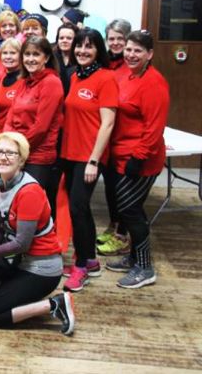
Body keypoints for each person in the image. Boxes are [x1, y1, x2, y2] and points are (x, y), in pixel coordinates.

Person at [0, 131, 76, 336]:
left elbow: (21, 243)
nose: (3, 157)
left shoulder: (29, 191)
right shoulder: (3, 183)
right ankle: (11, 289)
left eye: (10, 153)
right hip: (20, 261)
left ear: (21, 159)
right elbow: (0, 228)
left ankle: (55, 304)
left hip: (41, 269)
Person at [105, 30, 169, 289]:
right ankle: (133, 258)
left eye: (138, 51)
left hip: (142, 159)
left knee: (131, 211)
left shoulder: (154, 83)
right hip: (120, 155)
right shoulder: (125, 75)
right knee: (127, 209)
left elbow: (154, 128)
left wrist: (138, 157)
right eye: (129, 49)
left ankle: (145, 267)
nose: (131, 54)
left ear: (149, 54)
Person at [58, 28, 118, 292]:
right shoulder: (74, 76)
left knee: (77, 209)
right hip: (69, 153)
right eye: (79, 46)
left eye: (89, 47)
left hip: (89, 156)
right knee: (79, 209)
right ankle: (91, 260)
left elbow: (108, 123)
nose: (82, 51)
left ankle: (81, 265)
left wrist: (94, 160)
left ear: (98, 51)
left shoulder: (106, 78)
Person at [3, 36, 64, 215]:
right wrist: (7, 144)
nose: (30, 59)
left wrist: (16, 151)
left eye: (36, 54)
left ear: (46, 57)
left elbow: (41, 127)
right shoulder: (24, 82)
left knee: (30, 207)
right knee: (13, 204)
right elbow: (11, 115)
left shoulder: (52, 83)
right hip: (17, 153)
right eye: (27, 54)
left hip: (37, 155)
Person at [96, 18, 133, 256]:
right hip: (106, 138)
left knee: (122, 189)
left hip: (124, 137)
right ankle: (113, 225)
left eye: (121, 39)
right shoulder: (105, 63)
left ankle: (122, 234)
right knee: (110, 187)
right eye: (112, 38)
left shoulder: (132, 66)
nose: (116, 42)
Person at [0, 38, 24, 228]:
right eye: (5, 53)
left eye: (13, 53)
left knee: (15, 194)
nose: (9, 57)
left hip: (17, 147)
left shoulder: (26, 81)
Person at [54, 23, 78, 95]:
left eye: (69, 38)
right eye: (61, 38)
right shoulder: (51, 58)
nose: (64, 41)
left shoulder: (81, 59)